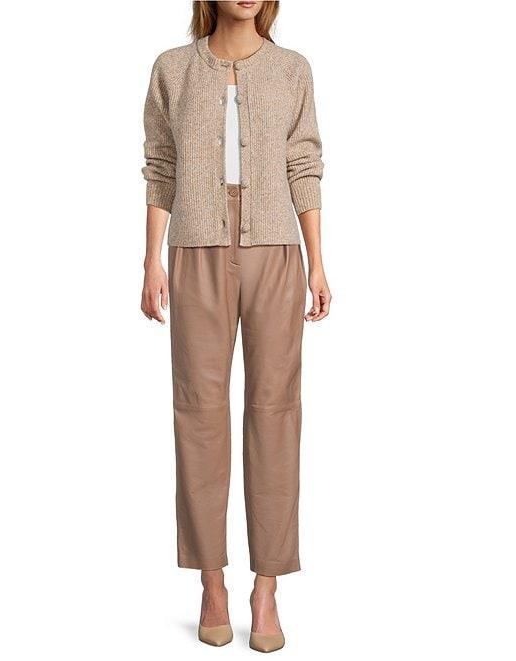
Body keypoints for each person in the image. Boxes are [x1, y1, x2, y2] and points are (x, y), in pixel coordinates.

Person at [141, 1, 331, 652]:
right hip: (195, 248)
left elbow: (304, 164)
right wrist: (151, 260)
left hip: (275, 250)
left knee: (275, 410)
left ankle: (267, 588)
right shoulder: (172, 69)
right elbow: (160, 165)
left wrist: (317, 263)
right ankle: (212, 583)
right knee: (199, 410)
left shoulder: (292, 69)